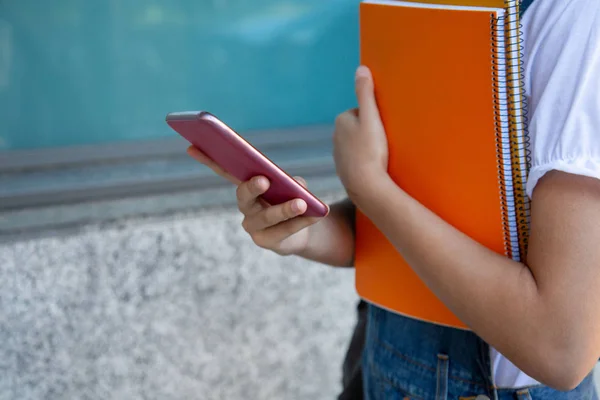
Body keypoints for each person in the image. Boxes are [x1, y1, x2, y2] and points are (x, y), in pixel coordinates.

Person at [189, 0, 600, 397]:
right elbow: (417, 223)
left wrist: (370, 186)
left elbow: (560, 350)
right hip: (383, 362)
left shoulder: (578, 20)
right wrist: (305, 231)